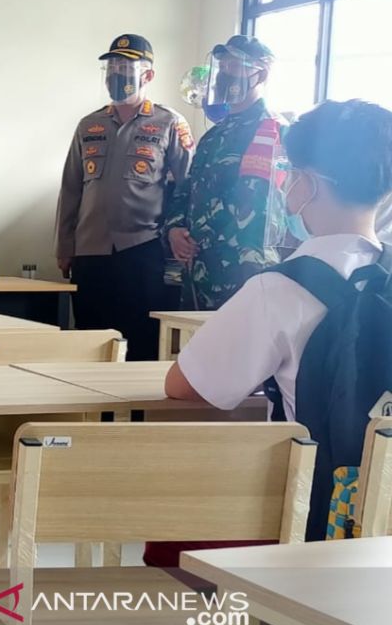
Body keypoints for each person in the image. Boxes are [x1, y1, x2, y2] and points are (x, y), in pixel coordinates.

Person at [156, 99, 392, 563]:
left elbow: (184, 386)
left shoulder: (278, 288)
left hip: (319, 523)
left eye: (290, 171)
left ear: (309, 184)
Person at [55, 35, 194, 360]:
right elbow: (71, 188)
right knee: (91, 339)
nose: (116, 75)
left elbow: (188, 184)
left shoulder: (169, 122)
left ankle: (135, 411)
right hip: (90, 252)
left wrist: (179, 235)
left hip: (144, 250)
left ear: (147, 76)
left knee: (141, 341)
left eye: (126, 68)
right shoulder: (90, 124)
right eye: (112, 67)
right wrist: (64, 247)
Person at [165, 35, 287, 310]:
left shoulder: (269, 130)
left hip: (242, 270)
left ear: (261, 74)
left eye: (235, 66)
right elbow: (187, 187)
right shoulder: (213, 136)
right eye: (223, 66)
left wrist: (202, 237)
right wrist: (175, 229)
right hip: (199, 270)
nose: (225, 74)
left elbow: (255, 205)